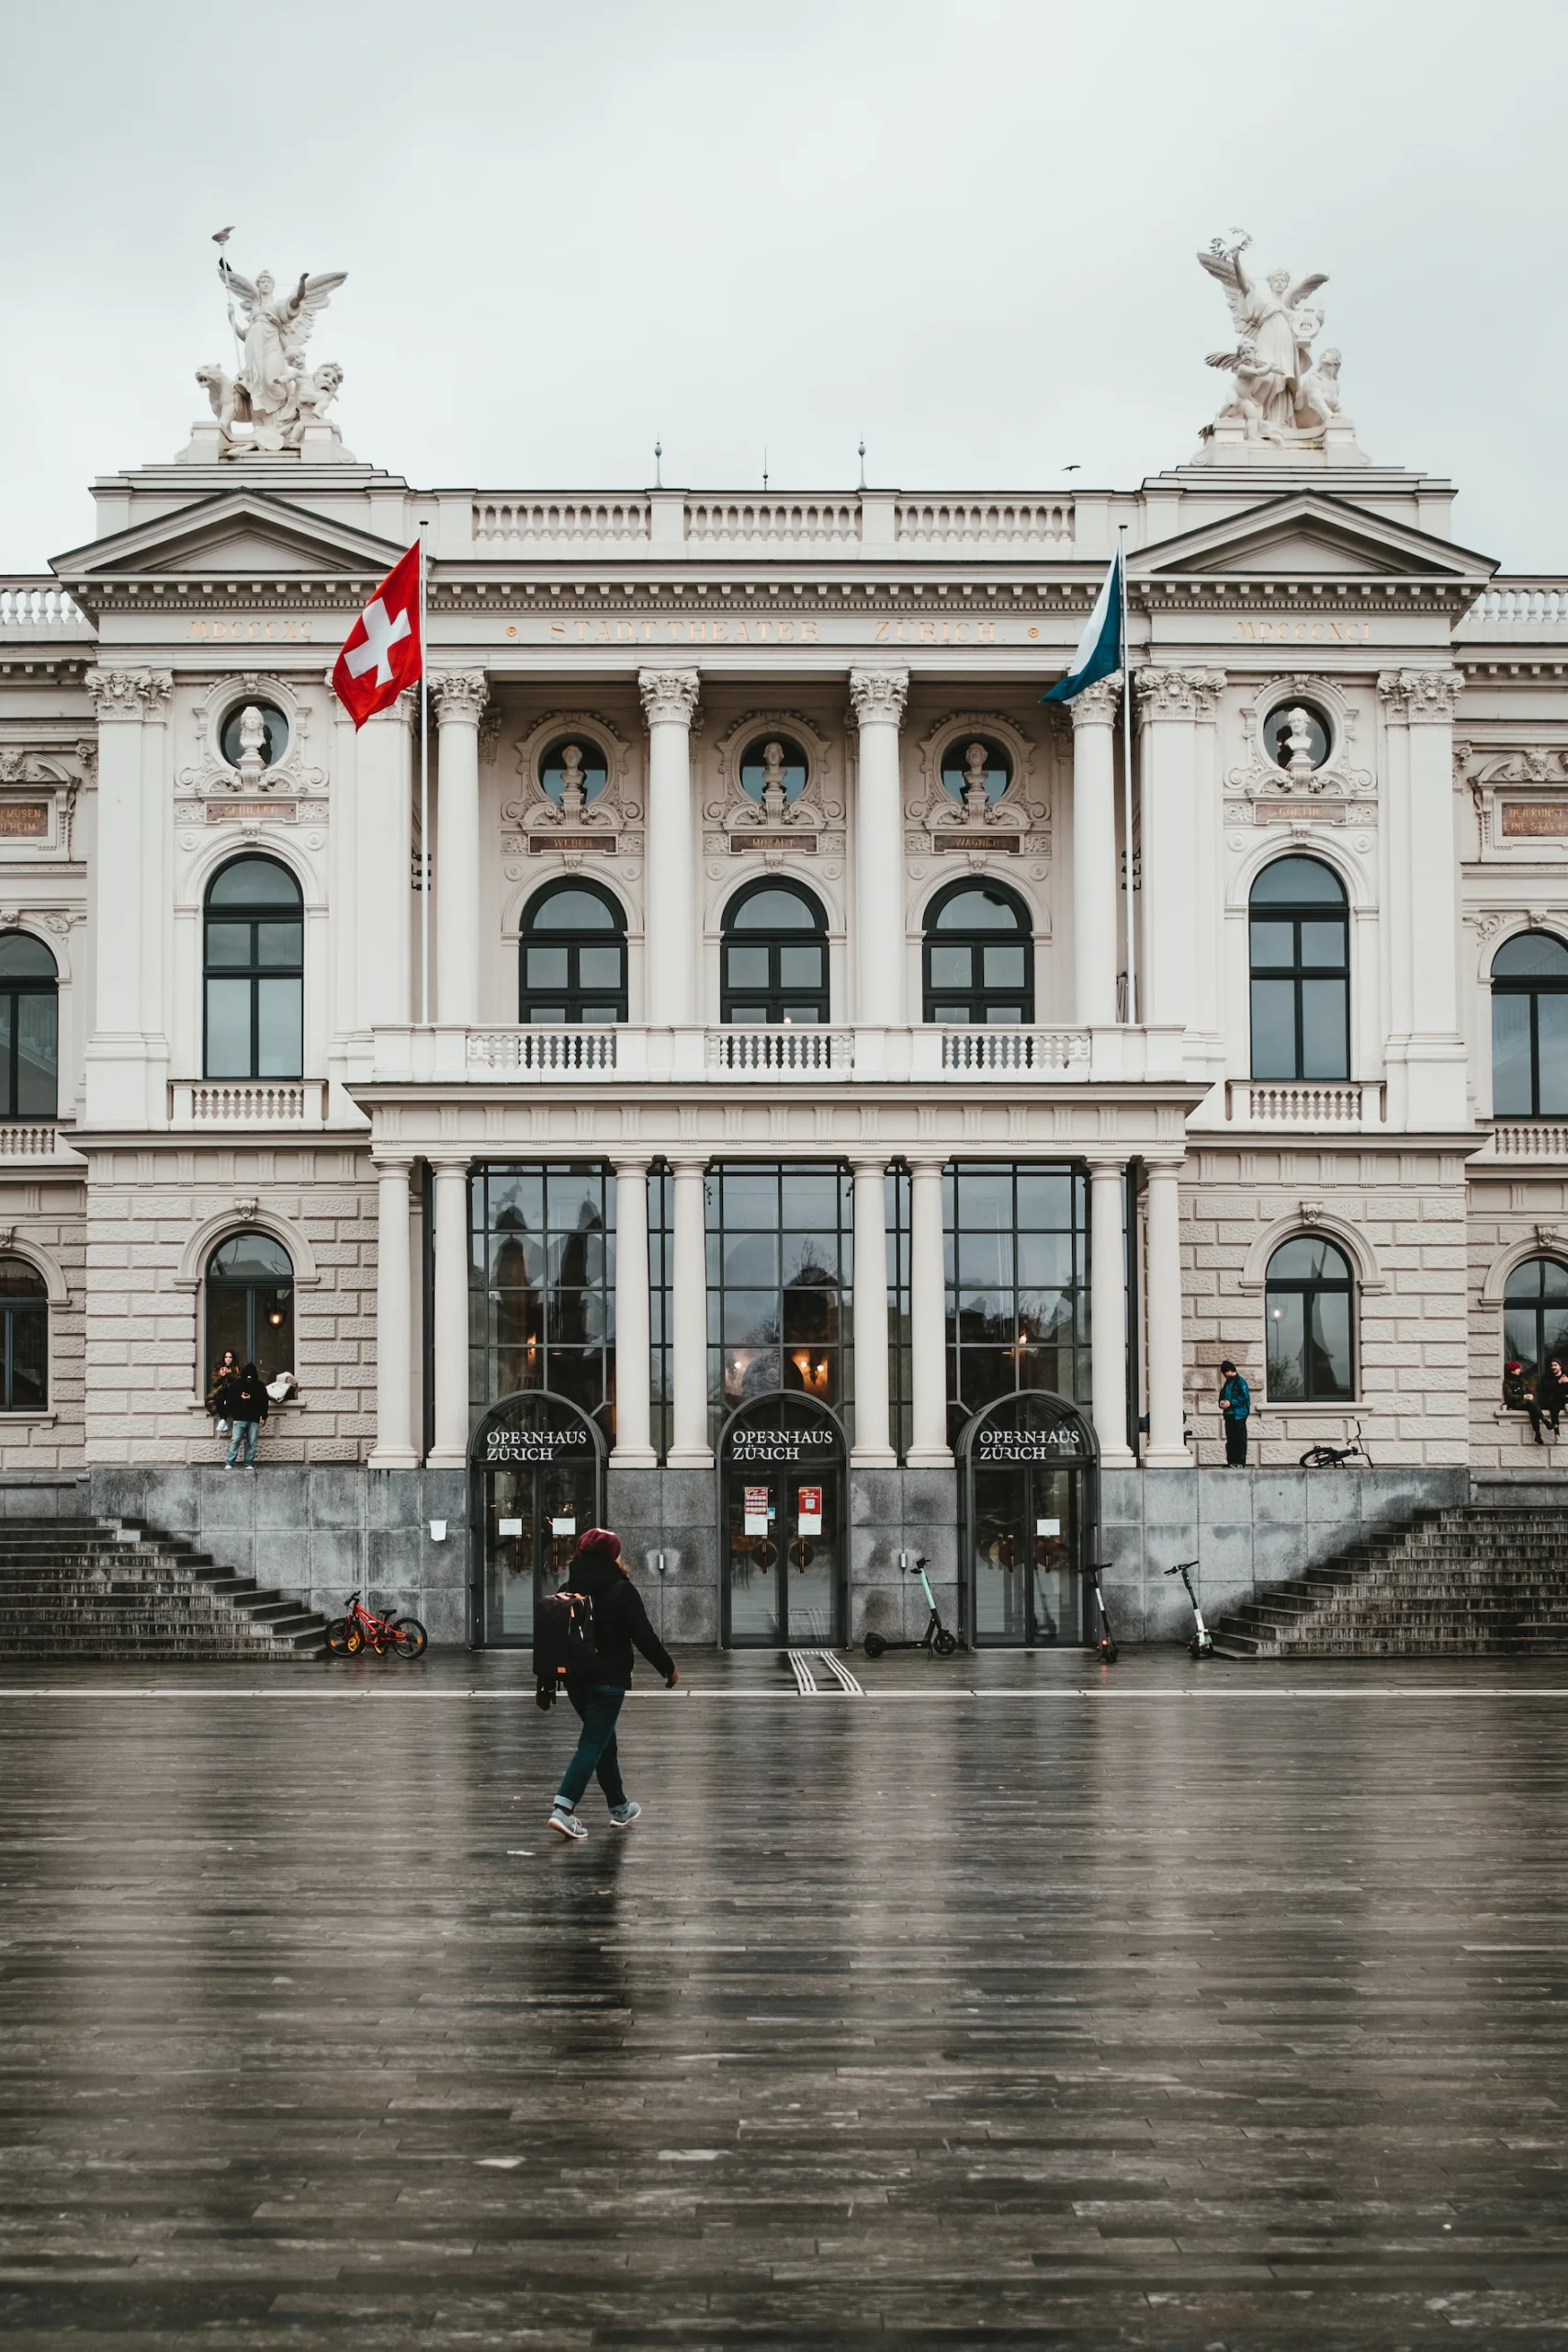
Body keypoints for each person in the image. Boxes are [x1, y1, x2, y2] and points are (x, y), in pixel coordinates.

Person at [549, 1527, 678, 1842]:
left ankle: (620, 1808)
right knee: (593, 1744)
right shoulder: (622, 1590)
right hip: (609, 1681)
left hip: (576, 1681)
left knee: (604, 1742)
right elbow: (644, 1636)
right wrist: (668, 1669)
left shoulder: (568, 1587)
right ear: (612, 1556)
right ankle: (562, 1810)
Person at [219, 1360, 270, 1467]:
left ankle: (248, 1462)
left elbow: (264, 1401)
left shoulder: (259, 1385)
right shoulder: (237, 1384)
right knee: (236, 1440)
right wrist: (239, 1400)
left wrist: (263, 1416)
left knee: (251, 1442)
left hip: (254, 1418)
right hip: (239, 1417)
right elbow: (229, 1399)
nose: (249, 1378)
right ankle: (230, 1462)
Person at [1218, 1359, 1251, 1467]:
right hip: (1229, 1415)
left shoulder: (1240, 1381)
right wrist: (1221, 1402)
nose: (1224, 1375)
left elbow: (1245, 1397)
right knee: (1230, 1439)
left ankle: (1240, 1462)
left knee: (1239, 1439)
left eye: (1224, 1373)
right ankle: (1231, 1461)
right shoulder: (1228, 1383)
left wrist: (1231, 1403)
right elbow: (1223, 1394)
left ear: (1229, 1370)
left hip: (1238, 1415)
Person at [1529, 1356, 1567, 1445]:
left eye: (1555, 1365)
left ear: (1560, 1366)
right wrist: (1558, 1382)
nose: (1553, 1367)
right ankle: (1557, 1433)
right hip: (1554, 1400)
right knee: (1554, 1409)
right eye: (1552, 1365)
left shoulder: (1566, 1375)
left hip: (1565, 1399)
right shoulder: (1548, 1377)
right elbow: (1545, 1389)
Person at [206, 1348, 238, 1437]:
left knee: (229, 1400)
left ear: (233, 1358)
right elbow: (214, 1383)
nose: (228, 1359)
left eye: (230, 1357)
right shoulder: (218, 1368)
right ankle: (224, 1420)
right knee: (219, 1398)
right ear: (223, 1358)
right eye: (226, 1357)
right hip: (221, 1392)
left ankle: (223, 1420)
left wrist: (230, 1374)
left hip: (233, 1392)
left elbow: (239, 1382)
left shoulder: (236, 1368)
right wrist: (221, 1376)